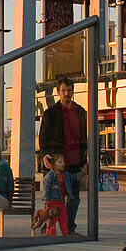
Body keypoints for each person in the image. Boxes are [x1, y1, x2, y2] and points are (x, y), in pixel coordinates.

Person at [38, 76, 88, 234]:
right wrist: (45, 155)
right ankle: (48, 226)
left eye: (69, 90)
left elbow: (86, 137)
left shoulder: (80, 112)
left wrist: (87, 156)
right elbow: (43, 137)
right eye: (63, 91)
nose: (67, 93)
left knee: (74, 198)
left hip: (74, 163)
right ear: (58, 92)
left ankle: (69, 228)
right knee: (53, 200)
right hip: (56, 163)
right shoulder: (50, 113)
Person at [33, 154, 73, 235]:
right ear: (54, 164)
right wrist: (46, 200)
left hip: (61, 201)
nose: (63, 164)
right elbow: (46, 188)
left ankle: (65, 233)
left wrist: (81, 174)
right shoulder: (50, 176)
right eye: (60, 162)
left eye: (63, 162)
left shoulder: (65, 174)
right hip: (52, 202)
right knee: (52, 219)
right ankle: (50, 234)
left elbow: (72, 178)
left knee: (64, 217)